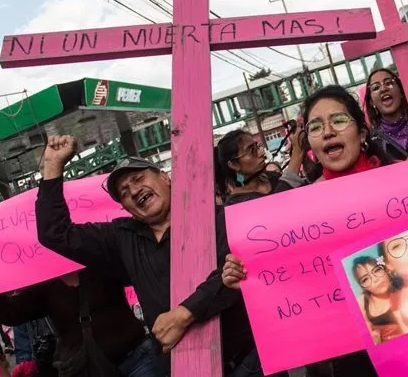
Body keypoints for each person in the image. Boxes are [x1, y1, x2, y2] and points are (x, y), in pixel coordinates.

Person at [35, 142, 269, 377]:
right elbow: (56, 233)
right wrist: (53, 165)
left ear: (165, 177)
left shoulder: (212, 216)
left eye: (138, 179)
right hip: (184, 370)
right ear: (126, 208)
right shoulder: (121, 238)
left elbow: (237, 272)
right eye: (124, 193)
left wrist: (183, 315)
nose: (134, 191)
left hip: (247, 362)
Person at [223, 85, 385, 376]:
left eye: (338, 120)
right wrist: (249, 277)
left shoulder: (404, 182)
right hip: (350, 352)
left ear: (362, 133)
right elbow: (288, 276)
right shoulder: (298, 212)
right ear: (310, 143)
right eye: (316, 126)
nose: (328, 132)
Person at [0, 271, 163, 377]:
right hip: (85, 369)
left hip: (136, 358)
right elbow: (12, 313)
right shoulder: (45, 283)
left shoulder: (101, 255)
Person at [214, 129, 305, 206]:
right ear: (234, 164)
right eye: (252, 150)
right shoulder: (235, 203)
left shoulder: (273, 176)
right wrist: (297, 153)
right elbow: (277, 207)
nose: (261, 153)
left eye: (257, 147)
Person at [350, 257, 401, 344]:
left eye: (377, 270)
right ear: (363, 287)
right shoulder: (361, 303)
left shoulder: (401, 285)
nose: (375, 279)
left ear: (385, 269)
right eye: (365, 279)